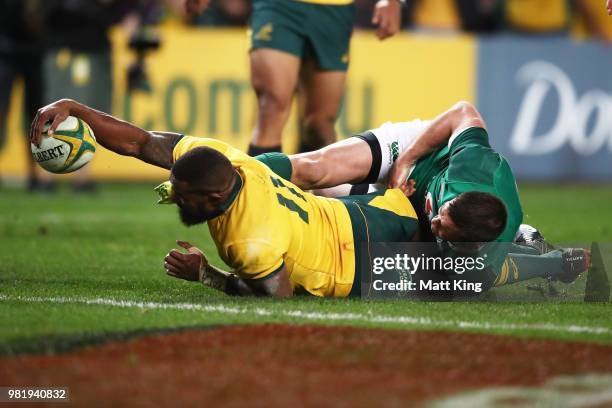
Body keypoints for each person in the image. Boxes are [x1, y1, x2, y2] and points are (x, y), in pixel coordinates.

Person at [30, 98, 420, 298]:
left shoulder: (247, 242)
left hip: (364, 264)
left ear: (215, 195)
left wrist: (207, 275)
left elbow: (279, 296)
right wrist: (74, 107)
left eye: (184, 197)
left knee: (463, 275)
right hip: (366, 210)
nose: (175, 200)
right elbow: (141, 142)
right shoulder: (231, 160)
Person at [256, 101, 591, 289]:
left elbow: (505, 271)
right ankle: (236, 169)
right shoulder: (475, 166)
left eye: (444, 229)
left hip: (403, 207)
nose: (436, 221)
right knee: (313, 170)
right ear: (457, 197)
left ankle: (526, 239)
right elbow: (463, 112)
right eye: (442, 213)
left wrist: (556, 263)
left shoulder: (478, 264)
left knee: (326, 209)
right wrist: (405, 161)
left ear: (470, 246)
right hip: (417, 157)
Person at [185, 0, 403, 156]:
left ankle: (314, 207)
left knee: (319, 125)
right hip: (278, 7)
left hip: (335, 11)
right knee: (272, 103)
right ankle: (260, 203)